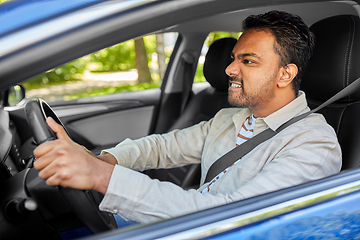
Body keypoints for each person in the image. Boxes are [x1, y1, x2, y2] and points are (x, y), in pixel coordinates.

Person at [33, 10, 342, 225]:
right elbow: (162, 147)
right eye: (234, 59)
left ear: (285, 74)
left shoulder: (313, 144)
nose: (230, 70)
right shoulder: (228, 118)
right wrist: (104, 160)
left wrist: (100, 177)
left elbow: (232, 218)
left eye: (248, 61)